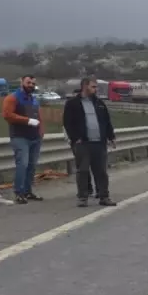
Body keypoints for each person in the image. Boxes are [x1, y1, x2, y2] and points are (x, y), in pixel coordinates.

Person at [63, 77, 118, 207]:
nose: (96, 89)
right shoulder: (73, 103)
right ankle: (83, 197)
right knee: (82, 171)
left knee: (101, 172)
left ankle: (104, 196)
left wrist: (111, 137)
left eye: (96, 87)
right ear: (84, 87)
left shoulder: (99, 103)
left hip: (99, 142)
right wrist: (75, 138)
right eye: (93, 87)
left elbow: (106, 121)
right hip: (83, 143)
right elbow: (67, 123)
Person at [2, 74, 45, 204]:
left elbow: (39, 115)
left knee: (31, 166)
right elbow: (7, 115)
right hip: (20, 136)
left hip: (35, 137)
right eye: (28, 83)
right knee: (23, 164)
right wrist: (27, 121)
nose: (31, 85)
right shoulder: (12, 98)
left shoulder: (34, 99)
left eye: (33, 83)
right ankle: (19, 192)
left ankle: (27, 190)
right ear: (22, 82)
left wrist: (41, 130)